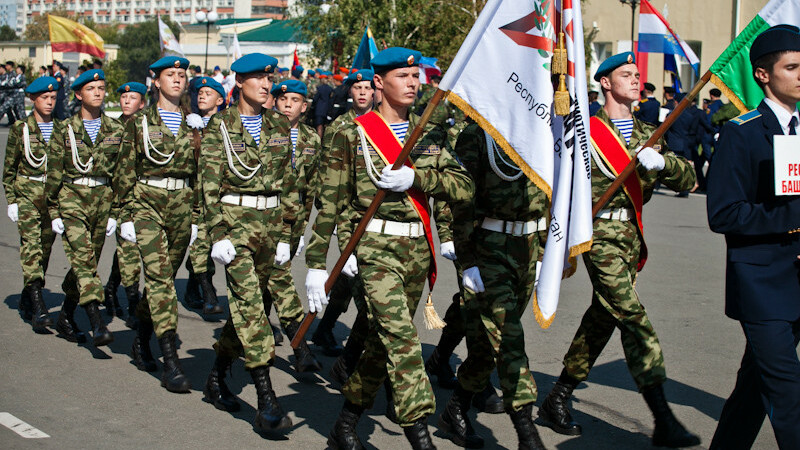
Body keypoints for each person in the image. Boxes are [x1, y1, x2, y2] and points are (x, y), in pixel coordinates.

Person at [306, 47, 474, 449]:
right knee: (402, 338)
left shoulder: (430, 132)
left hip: (417, 250)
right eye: (403, 76)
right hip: (375, 249)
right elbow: (330, 202)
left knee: (382, 344)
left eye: (416, 76)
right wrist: (316, 263)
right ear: (379, 82)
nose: (413, 83)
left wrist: (418, 179)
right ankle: (420, 433)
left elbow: (464, 187)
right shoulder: (351, 133)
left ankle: (345, 424)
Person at [538, 52, 700, 448]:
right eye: (626, 74)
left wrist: (662, 163)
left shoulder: (650, 132)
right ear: (606, 83)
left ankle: (558, 395)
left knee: (604, 316)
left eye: (637, 74)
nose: (635, 80)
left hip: (630, 235)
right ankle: (662, 416)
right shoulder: (585, 130)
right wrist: (549, 242)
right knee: (632, 315)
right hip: (597, 236)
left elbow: (689, 180)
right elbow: (556, 183)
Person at [707, 24, 800, 450]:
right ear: (763, 74)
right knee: (787, 392)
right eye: (792, 67)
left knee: (754, 387)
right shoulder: (742, 132)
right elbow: (724, 213)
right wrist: (791, 216)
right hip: (762, 283)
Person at [199, 53, 296, 433]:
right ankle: (267, 400)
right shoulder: (220, 125)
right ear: (239, 82)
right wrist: (217, 233)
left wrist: (286, 234)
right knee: (253, 310)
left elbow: (288, 183)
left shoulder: (279, 123)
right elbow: (208, 184)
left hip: (270, 226)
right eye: (257, 78)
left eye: (269, 78)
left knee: (246, 308)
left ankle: (215, 378)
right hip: (235, 226)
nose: (266, 85)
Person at [438, 121, 550, 449]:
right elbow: (461, 200)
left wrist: (545, 251)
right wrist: (466, 258)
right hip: (490, 248)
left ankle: (456, 408)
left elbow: (551, 194)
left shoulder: (540, 130)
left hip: (527, 248)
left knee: (489, 345)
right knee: (510, 338)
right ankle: (528, 436)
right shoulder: (478, 134)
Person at [116, 56, 203, 391]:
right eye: (170, 74)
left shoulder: (193, 123)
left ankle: (140, 339)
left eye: (182, 75)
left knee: (161, 281)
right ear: (156, 82)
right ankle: (171, 361)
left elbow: (200, 176)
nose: (177, 79)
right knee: (160, 279)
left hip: (181, 206)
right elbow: (125, 171)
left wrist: (195, 217)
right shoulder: (139, 122)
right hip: (147, 203)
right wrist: (125, 216)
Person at [46, 69, 125, 347]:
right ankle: (96, 321)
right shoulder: (64, 129)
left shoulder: (116, 129)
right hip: (72, 197)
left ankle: (66, 315)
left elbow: (120, 175)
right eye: (91, 89)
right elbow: (53, 173)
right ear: (79, 94)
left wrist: (115, 212)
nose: (98, 93)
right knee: (84, 258)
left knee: (86, 262)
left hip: (102, 201)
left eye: (101, 88)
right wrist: (53, 211)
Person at [312, 68, 375, 356]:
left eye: (367, 88)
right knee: (355, 278)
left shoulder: (384, 123)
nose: (362, 92)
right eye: (357, 88)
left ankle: (325, 328)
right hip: (349, 212)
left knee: (349, 279)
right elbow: (328, 170)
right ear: (349, 91)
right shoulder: (339, 126)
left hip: (376, 212)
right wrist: (330, 213)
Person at [264, 79, 323, 372]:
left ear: (304, 106)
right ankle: (300, 346)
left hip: (293, 219)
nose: (288, 105)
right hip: (266, 217)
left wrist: (301, 229)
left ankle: (255, 329)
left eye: (295, 100)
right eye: (283, 99)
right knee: (279, 278)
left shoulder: (311, 138)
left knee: (267, 278)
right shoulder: (264, 131)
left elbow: (310, 189)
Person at [2, 76, 64, 335]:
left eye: (53, 98)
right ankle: (39, 307)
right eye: (44, 98)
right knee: (32, 247)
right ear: (32, 99)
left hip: (52, 198)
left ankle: (28, 297)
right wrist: (12, 200)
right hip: (28, 193)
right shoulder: (21, 129)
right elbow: (9, 169)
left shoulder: (62, 128)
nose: (49, 102)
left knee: (45, 250)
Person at [103, 82, 148, 326]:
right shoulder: (112, 128)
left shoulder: (147, 127)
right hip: (119, 196)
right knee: (128, 247)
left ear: (142, 103)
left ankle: (111, 288)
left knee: (129, 248)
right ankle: (132, 301)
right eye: (124, 97)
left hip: (145, 195)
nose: (126, 101)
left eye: (132, 98)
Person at [183, 76, 226, 316]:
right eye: (200, 93)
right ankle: (208, 293)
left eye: (208, 93)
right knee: (199, 241)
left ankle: (193, 289)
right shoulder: (190, 124)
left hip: (219, 193)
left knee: (209, 243)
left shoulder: (226, 125)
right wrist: (192, 131)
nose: (202, 96)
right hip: (195, 193)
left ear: (220, 100)